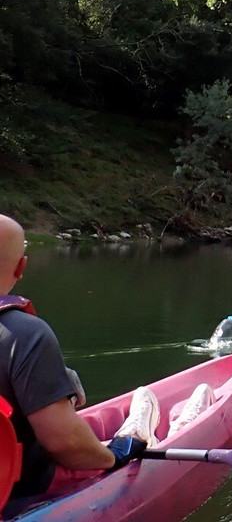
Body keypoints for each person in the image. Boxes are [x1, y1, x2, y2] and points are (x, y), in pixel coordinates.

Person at [0, 215, 148, 504]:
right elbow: (66, 444)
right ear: (22, 267)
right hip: (23, 492)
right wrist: (113, 456)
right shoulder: (27, 334)